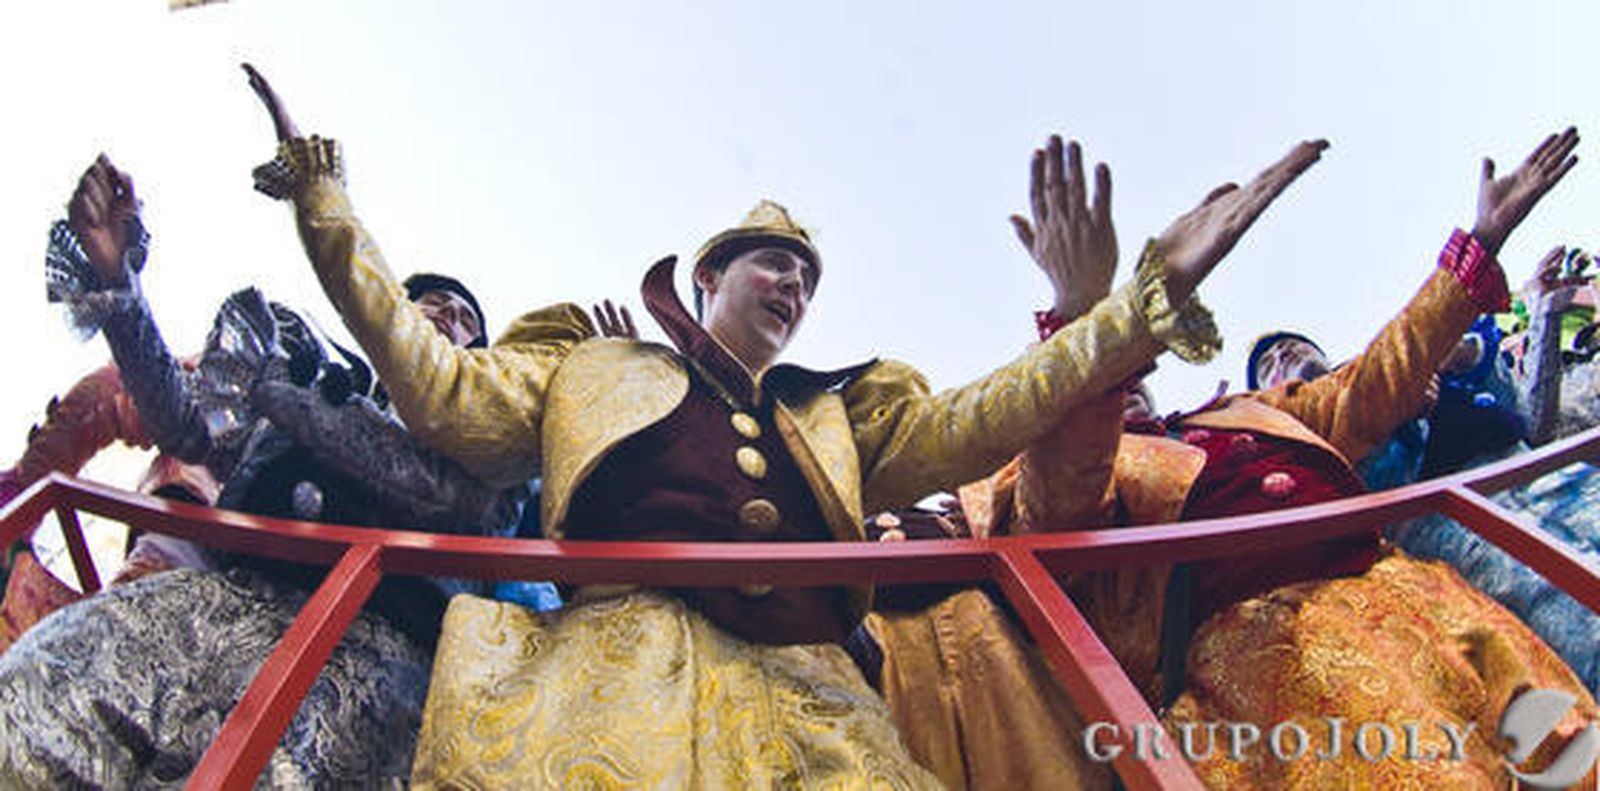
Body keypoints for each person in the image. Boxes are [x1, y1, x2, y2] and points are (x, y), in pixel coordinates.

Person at [241, 60, 1326, 786]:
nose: (794, 287)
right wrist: (322, 199)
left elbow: (988, 415)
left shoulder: (840, 410)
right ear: (709, 271)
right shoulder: (588, 364)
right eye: (775, 264)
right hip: (620, 681)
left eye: (808, 277)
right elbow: (437, 390)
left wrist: (1136, 305)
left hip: (816, 699)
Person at [964, 127, 1595, 787]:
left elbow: (1375, 382)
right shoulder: (1053, 460)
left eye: (1130, 377)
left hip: (1421, 599)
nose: (1126, 393)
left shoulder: (1250, 410)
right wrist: (1082, 318)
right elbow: (1059, 503)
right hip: (1279, 657)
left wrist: (1480, 243)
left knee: (1569, 751)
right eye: (1107, 381)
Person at [0, 151, 548, 787]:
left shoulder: (498, 437)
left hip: (376, 649)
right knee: (34, 701)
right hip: (226, 594)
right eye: (432, 303)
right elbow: (191, 427)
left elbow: (463, 506)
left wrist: (288, 398)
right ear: (395, 315)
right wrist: (117, 286)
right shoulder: (315, 364)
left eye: (467, 320)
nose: (450, 318)